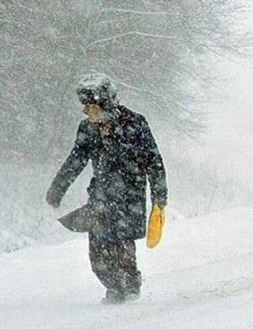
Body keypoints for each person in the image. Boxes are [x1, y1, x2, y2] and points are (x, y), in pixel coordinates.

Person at [46, 73, 168, 304]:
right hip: (100, 196)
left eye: (93, 107)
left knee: (122, 245)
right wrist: (57, 188)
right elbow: (76, 160)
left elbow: (154, 161)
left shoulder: (135, 124)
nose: (88, 113)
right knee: (98, 251)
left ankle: (130, 286)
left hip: (130, 196)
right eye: (86, 108)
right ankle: (113, 287)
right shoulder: (87, 129)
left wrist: (159, 197)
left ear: (107, 103)